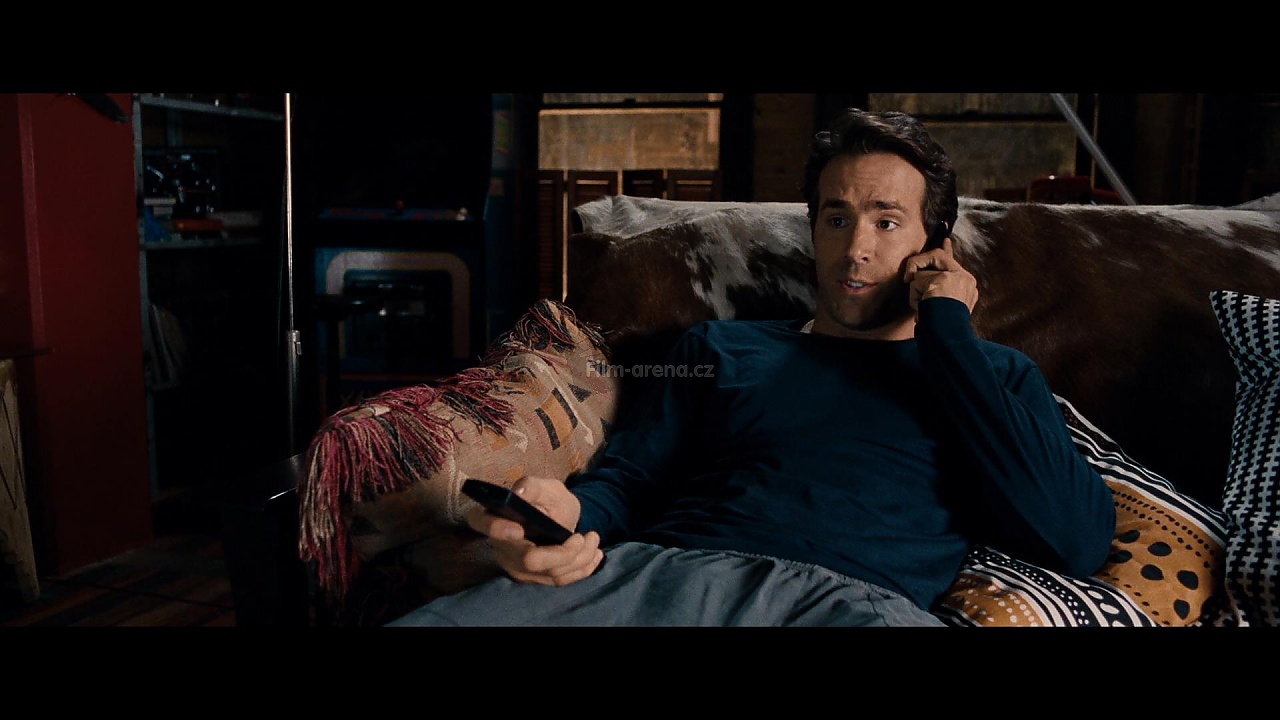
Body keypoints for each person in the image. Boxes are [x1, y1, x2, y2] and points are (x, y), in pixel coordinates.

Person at [389, 107, 1117, 627]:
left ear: (936, 244)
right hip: (664, 577)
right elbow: (631, 481)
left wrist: (949, 328)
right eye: (836, 218)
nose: (856, 248)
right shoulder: (722, 350)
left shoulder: (991, 375)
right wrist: (565, 515)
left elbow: (1072, 537)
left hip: (854, 602)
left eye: (887, 221)